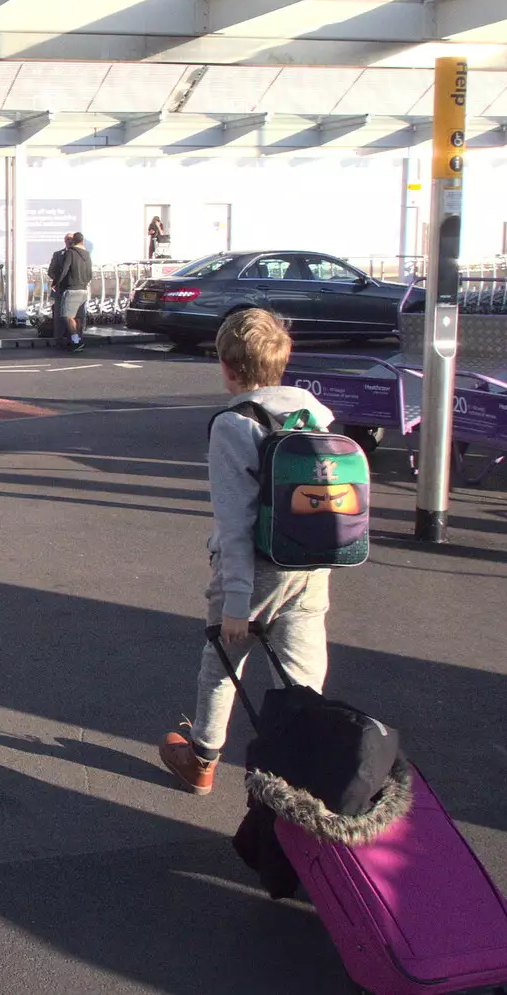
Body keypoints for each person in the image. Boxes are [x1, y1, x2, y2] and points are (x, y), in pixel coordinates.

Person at [157, 309, 334, 795]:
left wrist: (236, 601)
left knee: (223, 664)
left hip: (255, 570)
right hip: (311, 566)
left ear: (228, 366)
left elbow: (235, 520)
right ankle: (291, 773)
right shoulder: (314, 414)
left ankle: (201, 759)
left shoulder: (237, 425)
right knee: (300, 674)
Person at [54, 232, 92, 351]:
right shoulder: (87, 254)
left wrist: (56, 283)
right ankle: (79, 339)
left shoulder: (71, 253)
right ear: (82, 241)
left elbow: (65, 269)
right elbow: (90, 274)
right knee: (78, 317)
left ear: (73, 241)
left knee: (67, 316)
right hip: (84, 289)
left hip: (72, 289)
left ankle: (75, 342)